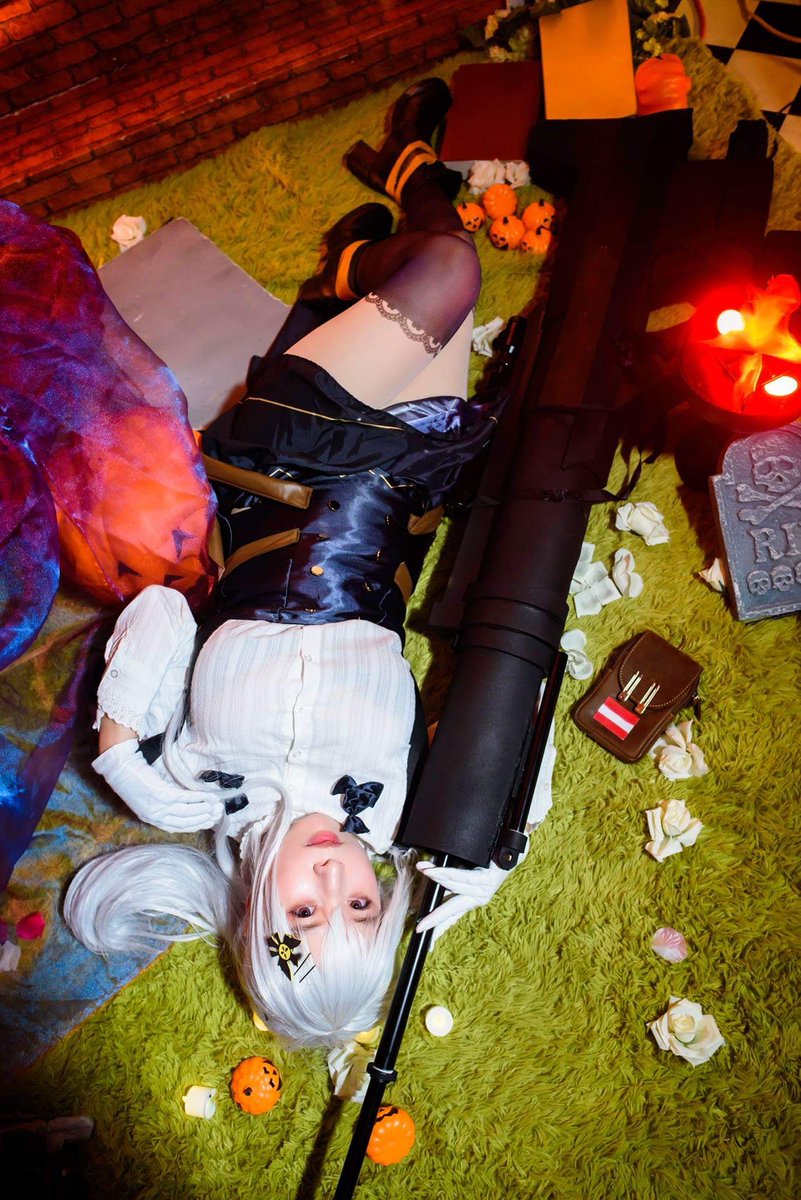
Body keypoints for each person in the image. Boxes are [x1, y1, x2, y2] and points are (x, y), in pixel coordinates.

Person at [64, 78, 521, 1050]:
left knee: (447, 270)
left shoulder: (191, 780)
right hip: (401, 492)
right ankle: (383, 219)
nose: (331, 876)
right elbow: (514, 708)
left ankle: (370, 251)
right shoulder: (406, 817)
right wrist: (495, 841)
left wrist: (120, 746)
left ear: (252, 919)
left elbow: (164, 615)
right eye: (359, 905)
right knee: (453, 270)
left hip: (278, 471)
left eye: (302, 915)